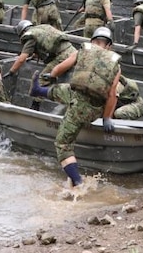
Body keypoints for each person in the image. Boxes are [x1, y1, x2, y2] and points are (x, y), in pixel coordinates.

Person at [30, 26, 121, 187]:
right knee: (65, 90)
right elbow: (112, 95)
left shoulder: (83, 51)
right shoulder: (115, 64)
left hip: (78, 107)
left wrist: (52, 75)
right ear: (109, 45)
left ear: (92, 41)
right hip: (95, 109)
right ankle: (39, 91)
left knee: (63, 145)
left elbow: (63, 66)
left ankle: (77, 182)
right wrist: (107, 117)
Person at [8, 20, 76, 81]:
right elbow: (46, 42)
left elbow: (21, 59)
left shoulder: (30, 35)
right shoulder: (41, 28)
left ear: (23, 32)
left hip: (63, 55)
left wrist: (12, 71)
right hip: (72, 50)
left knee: (42, 81)